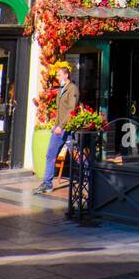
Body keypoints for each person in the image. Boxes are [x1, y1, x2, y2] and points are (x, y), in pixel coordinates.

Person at [35, 62, 79, 195]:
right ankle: (47, 183)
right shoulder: (61, 89)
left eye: (60, 75)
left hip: (66, 128)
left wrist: (62, 126)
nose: (58, 77)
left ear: (66, 75)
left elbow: (71, 109)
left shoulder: (72, 89)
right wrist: (56, 124)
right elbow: (60, 109)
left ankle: (91, 176)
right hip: (58, 128)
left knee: (77, 155)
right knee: (50, 155)